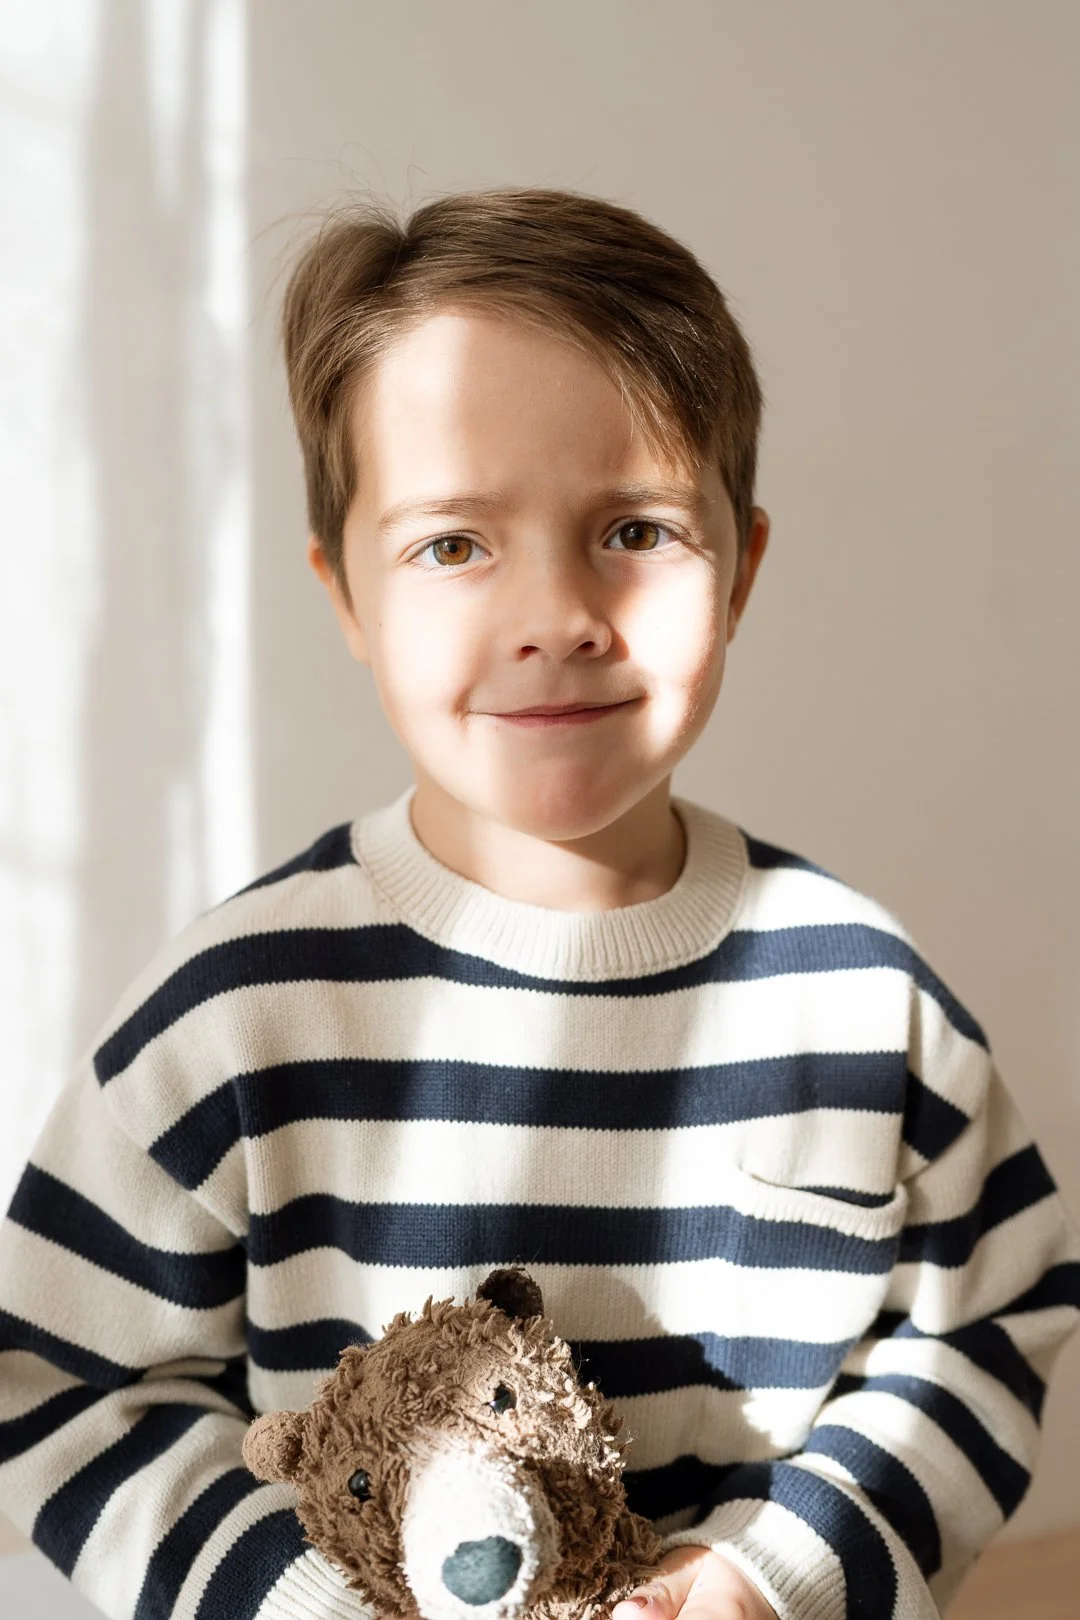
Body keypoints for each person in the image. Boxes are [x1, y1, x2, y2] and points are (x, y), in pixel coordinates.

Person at [0, 187, 1076, 1620]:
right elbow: (54, 1383)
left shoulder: (858, 996)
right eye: (454, 544)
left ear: (742, 570)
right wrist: (306, 1602)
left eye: (634, 529)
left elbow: (992, 1320)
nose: (557, 611)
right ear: (349, 599)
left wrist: (777, 1573)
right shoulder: (241, 1013)